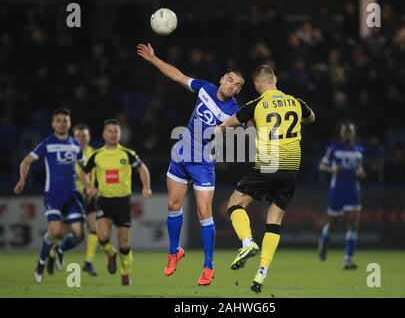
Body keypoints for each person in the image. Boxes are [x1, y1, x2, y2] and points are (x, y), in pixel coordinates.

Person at [137, 43, 245, 286]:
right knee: (173, 204)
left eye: (237, 85)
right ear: (221, 79)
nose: (232, 86)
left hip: (203, 163)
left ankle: (208, 266)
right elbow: (178, 76)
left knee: (204, 212)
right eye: (230, 80)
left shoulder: (235, 111)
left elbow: (249, 125)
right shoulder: (205, 88)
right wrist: (154, 59)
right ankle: (174, 251)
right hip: (182, 154)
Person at [216, 65, 315, 293]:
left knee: (235, 203)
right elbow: (312, 118)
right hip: (291, 169)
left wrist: (220, 129)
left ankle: (248, 242)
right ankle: (262, 272)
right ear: (276, 79)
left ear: (258, 86)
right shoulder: (296, 102)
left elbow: (229, 123)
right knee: (274, 221)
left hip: (268, 163)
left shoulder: (256, 104)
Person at [14, 108, 86, 284]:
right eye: (59, 120)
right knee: (54, 230)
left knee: (78, 235)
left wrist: (89, 185)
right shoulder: (47, 143)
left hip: (72, 195)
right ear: (53, 123)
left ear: (69, 124)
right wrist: (22, 179)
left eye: (65, 120)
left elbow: (82, 170)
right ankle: (41, 263)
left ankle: (60, 251)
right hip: (53, 194)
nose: (62, 123)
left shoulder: (76, 145)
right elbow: (26, 161)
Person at [80, 119, 152, 286]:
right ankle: (111, 254)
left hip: (123, 202)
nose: (113, 134)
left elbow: (142, 169)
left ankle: (125, 274)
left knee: (124, 243)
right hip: (104, 201)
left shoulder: (127, 154)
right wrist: (89, 187)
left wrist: (146, 187)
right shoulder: (96, 155)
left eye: (116, 131)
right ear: (104, 134)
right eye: (110, 131)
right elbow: (83, 173)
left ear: (120, 134)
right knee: (103, 237)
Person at [318, 122, 366, 269]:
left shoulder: (359, 151)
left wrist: (361, 174)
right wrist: (333, 169)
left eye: (349, 132)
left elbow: (360, 169)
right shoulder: (334, 149)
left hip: (353, 190)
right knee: (333, 223)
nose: (347, 135)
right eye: (345, 132)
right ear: (341, 134)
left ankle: (348, 260)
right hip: (337, 190)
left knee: (353, 224)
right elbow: (321, 165)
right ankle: (324, 240)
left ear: (354, 133)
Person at [73, 124, 99, 276]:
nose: (82, 139)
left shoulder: (95, 154)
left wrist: (93, 189)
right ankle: (53, 253)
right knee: (67, 231)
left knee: (94, 228)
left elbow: (97, 175)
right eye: (79, 136)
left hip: (89, 196)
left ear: (89, 137)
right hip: (72, 195)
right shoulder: (69, 154)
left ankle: (88, 262)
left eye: (84, 136)